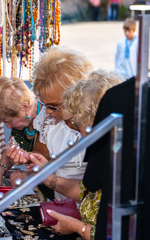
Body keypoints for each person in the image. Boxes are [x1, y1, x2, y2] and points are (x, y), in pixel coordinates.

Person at [28, 69, 124, 240]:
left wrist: (77, 227)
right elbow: (87, 191)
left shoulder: (123, 163)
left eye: (80, 127)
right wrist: (48, 177)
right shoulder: (108, 154)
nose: (80, 135)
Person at [7, 46, 93, 202]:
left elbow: (96, 191)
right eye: (44, 104)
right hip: (61, 207)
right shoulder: (49, 120)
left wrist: (49, 178)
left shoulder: (94, 124)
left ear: (76, 97)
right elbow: (43, 155)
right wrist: (29, 159)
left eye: (53, 106)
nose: (47, 112)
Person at [0, 76, 49, 187]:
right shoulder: (22, 123)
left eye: (8, 121)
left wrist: (30, 176)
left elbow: (61, 167)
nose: (8, 127)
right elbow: (10, 148)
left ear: (25, 108)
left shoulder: (49, 120)